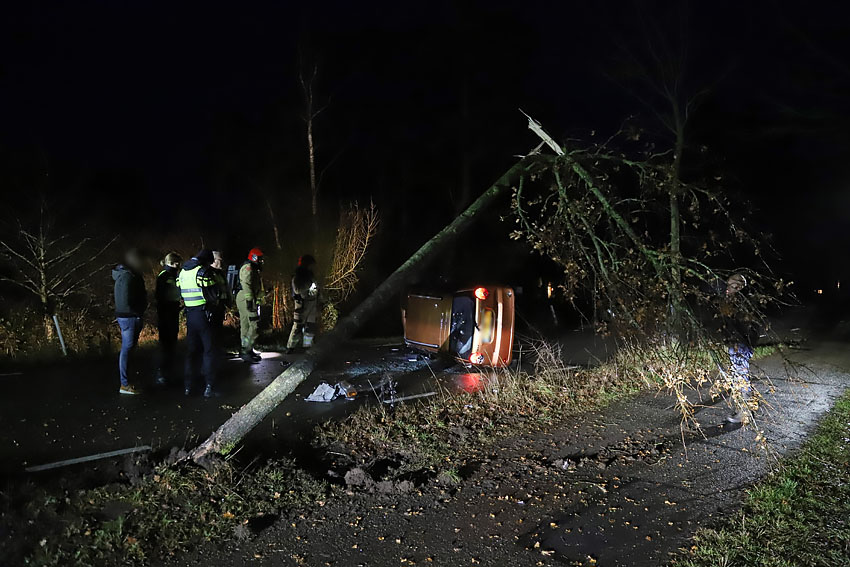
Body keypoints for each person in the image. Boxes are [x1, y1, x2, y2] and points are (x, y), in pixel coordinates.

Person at [178, 249, 223, 397]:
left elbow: (179, 291)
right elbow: (213, 294)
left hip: (190, 315)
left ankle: (188, 386)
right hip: (204, 314)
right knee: (208, 350)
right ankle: (209, 387)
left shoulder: (183, 271)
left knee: (192, 351)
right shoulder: (203, 272)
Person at [720, 273, 760, 423]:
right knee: (739, 376)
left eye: (730, 285)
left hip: (740, 345)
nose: (727, 288)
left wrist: (738, 342)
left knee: (741, 377)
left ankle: (745, 412)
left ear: (738, 286)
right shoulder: (734, 301)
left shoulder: (741, 304)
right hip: (737, 343)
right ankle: (743, 408)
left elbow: (745, 326)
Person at [112, 249, 148, 395]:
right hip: (130, 317)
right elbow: (125, 300)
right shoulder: (127, 276)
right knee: (127, 349)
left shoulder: (128, 275)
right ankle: (125, 384)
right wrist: (136, 312)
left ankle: (127, 382)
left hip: (130, 316)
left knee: (129, 349)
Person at [155, 252, 182, 385]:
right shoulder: (164, 275)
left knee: (171, 345)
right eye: (177, 263)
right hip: (166, 315)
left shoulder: (173, 275)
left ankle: (169, 373)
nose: (179, 265)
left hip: (172, 312)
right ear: (171, 263)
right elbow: (160, 296)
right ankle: (162, 373)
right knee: (166, 345)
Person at [235, 248, 265, 363]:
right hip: (246, 298)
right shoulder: (248, 268)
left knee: (246, 326)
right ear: (254, 258)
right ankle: (246, 350)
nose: (262, 261)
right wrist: (249, 301)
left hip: (245, 297)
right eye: (260, 259)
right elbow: (246, 284)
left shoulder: (252, 268)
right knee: (254, 324)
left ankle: (247, 350)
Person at [287, 254, 322, 352]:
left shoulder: (310, 276)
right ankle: (291, 347)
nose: (312, 267)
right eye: (311, 265)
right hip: (301, 304)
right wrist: (309, 284)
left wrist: (320, 299)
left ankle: (307, 346)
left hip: (312, 303)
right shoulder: (298, 277)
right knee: (297, 327)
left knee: (310, 327)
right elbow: (297, 290)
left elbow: (317, 288)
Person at [209, 250, 231, 344]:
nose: (221, 263)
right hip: (213, 304)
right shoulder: (208, 273)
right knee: (212, 327)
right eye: (219, 260)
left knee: (218, 326)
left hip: (221, 303)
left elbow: (226, 287)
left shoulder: (220, 273)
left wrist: (228, 300)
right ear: (213, 260)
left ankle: (218, 345)